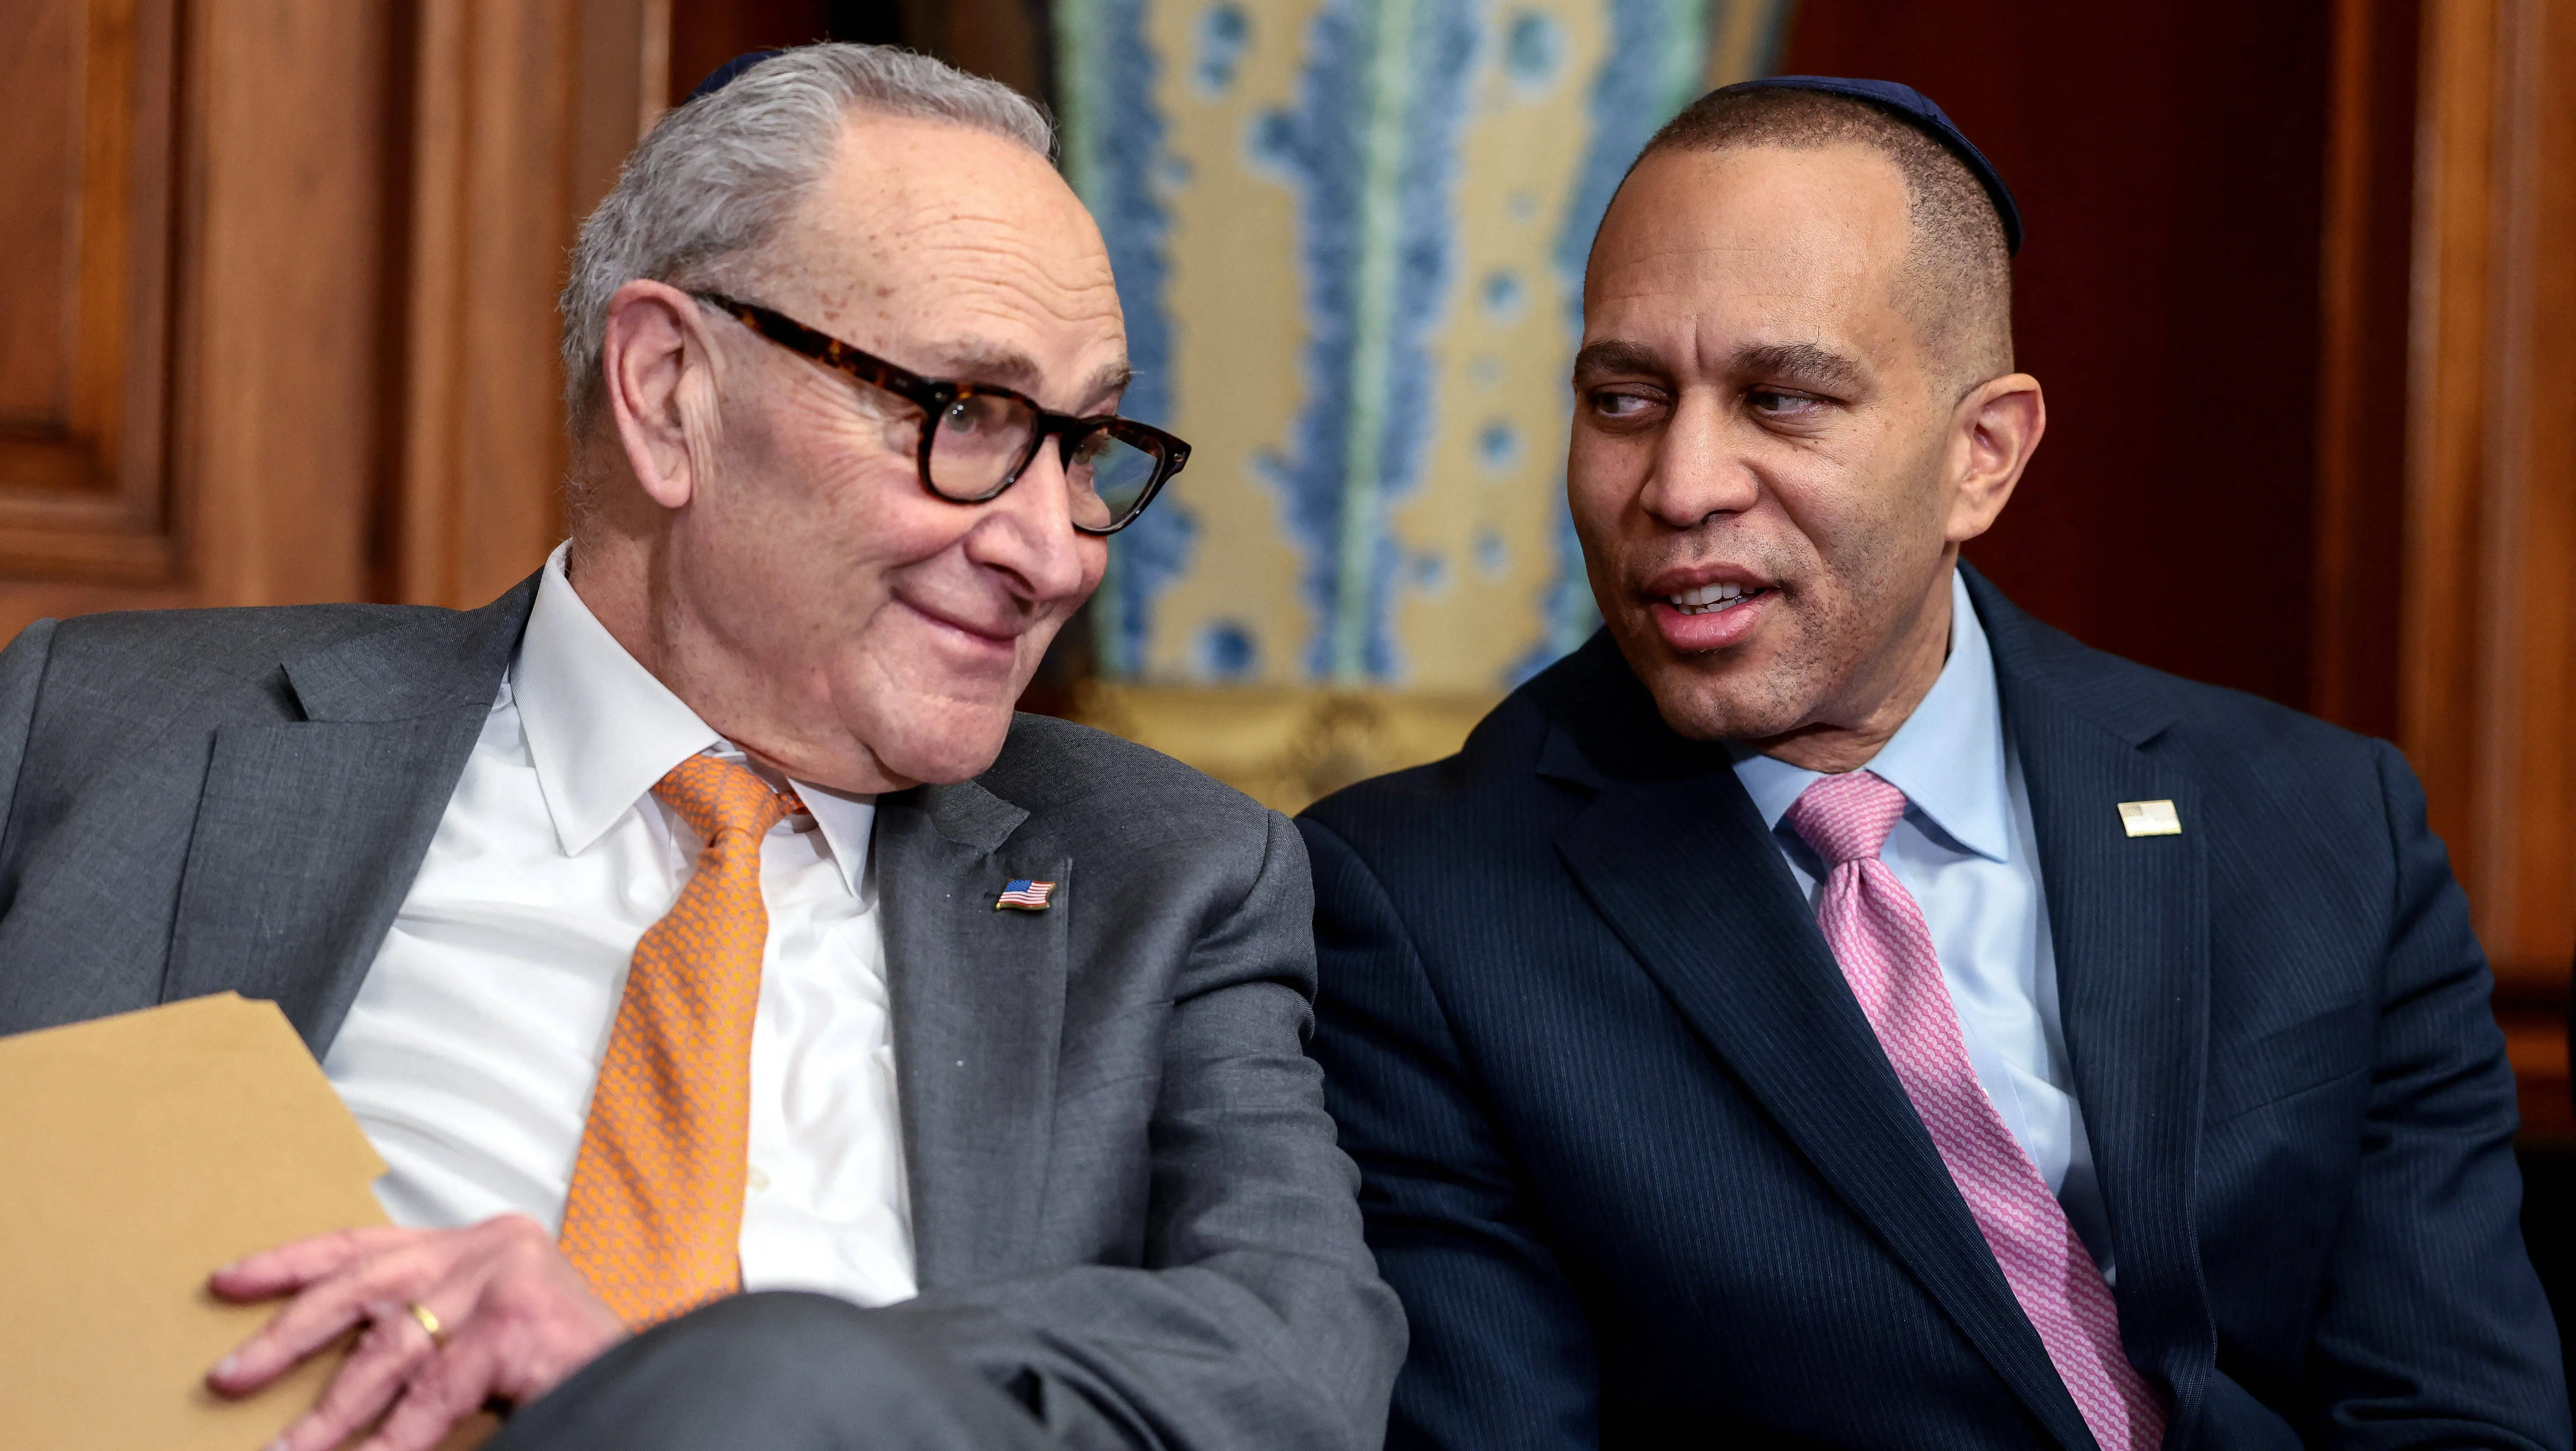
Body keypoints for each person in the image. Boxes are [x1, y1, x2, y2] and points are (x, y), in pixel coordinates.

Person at [0, 45, 1400, 1451]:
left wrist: (694, 1378)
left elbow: (1298, 1358)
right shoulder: (104, 728)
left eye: (1085, 445)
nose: (1055, 553)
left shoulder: (1172, 874)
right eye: (966, 414)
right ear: (670, 390)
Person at [1299, 76, 2566, 1449]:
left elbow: (2461, 1413)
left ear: (1983, 454)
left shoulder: (2328, 825)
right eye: (1623, 396)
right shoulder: (1417, 903)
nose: (1678, 483)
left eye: (1781, 399)